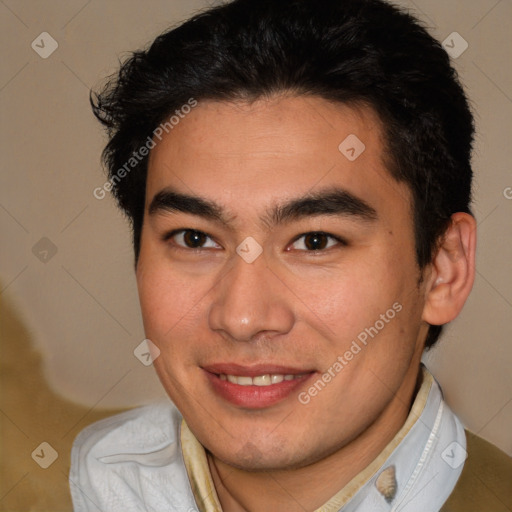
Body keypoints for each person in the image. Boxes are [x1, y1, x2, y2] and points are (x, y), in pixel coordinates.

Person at [70, 0, 511, 510]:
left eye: (315, 241)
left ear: (442, 270)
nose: (242, 317)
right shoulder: (53, 484)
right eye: (195, 239)